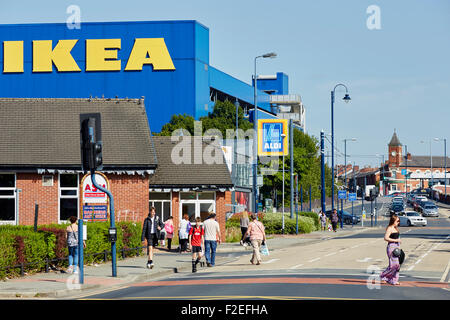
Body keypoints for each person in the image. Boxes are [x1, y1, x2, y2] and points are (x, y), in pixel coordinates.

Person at [380, 214, 402, 285]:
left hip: (396, 247)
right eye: (397, 221)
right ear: (393, 221)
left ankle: (393, 280)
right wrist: (396, 240)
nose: (398, 222)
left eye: (399, 221)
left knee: (397, 265)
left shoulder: (395, 228)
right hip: (391, 247)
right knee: (393, 265)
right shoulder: (390, 228)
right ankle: (383, 276)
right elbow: (386, 238)